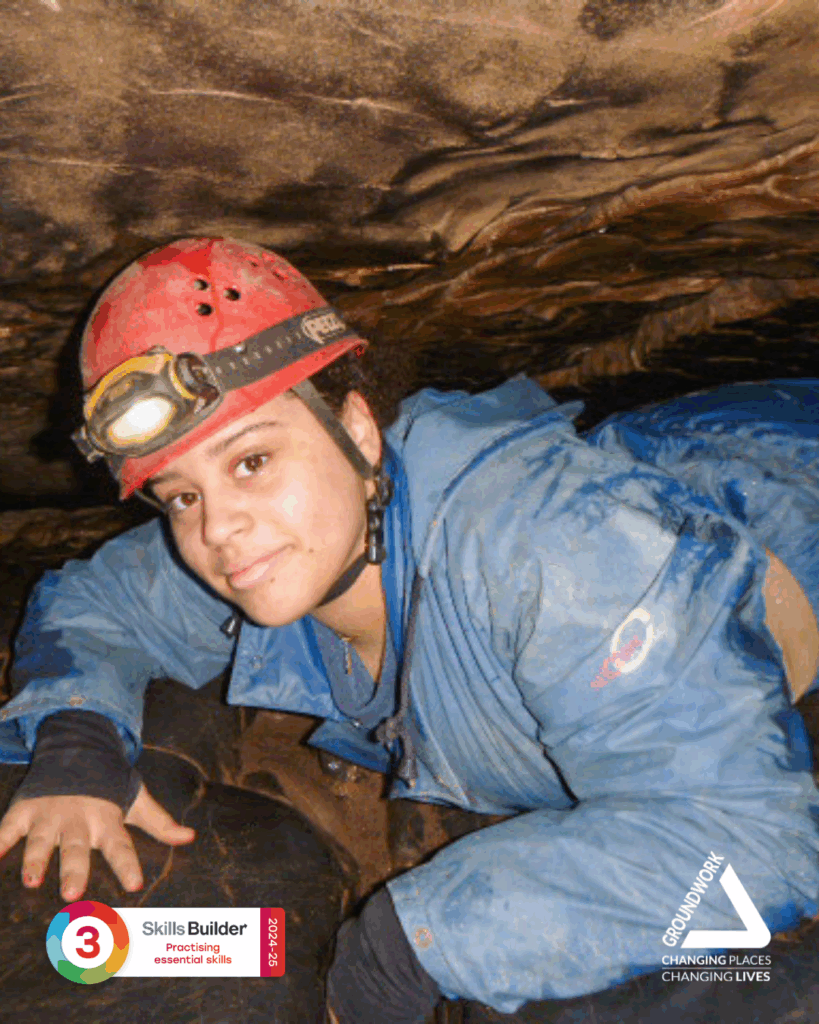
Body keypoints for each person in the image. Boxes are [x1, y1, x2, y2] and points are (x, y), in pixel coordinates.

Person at [0, 236, 818, 1024]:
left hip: (784, 469)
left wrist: (406, 944)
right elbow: (96, 601)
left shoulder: (553, 546)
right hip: (657, 461)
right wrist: (78, 742)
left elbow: (750, 841)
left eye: (252, 461)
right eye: (180, 493)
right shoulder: (269, 544)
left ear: (356, 431)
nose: (218, 528)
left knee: (701, 974)